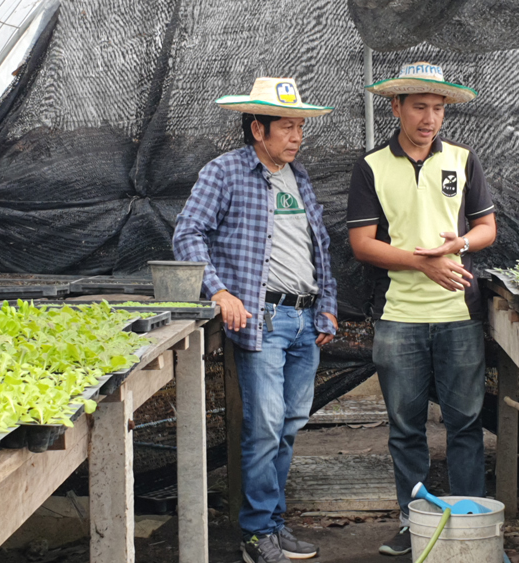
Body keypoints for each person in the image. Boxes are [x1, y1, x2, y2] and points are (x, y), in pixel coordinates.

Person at [173, 76, 338, 563]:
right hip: (261, 319)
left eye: (300, 127)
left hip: (305, 319)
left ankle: (273, 523)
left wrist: (326, 303)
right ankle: (254, 533)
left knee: (289, 423)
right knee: (265, 424)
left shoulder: (299, 178)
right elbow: (188, 235)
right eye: (286, 127)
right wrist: (220, 291)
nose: (296, 136)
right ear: (257, 129)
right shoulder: (223, 173)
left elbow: (319, 248)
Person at [346, 62, 497, 556]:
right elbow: (363, 244)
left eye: (438, 108)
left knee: (465, 426)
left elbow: (486, 228)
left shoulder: (463, 159)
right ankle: (416, 526)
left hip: (459, 316)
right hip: (399, 316)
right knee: (406, 428)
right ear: (396, 108)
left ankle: (469, 525)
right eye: (419, 107)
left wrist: (462, 243)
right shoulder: (372, 167)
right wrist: (423, 263)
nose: (430, 118)